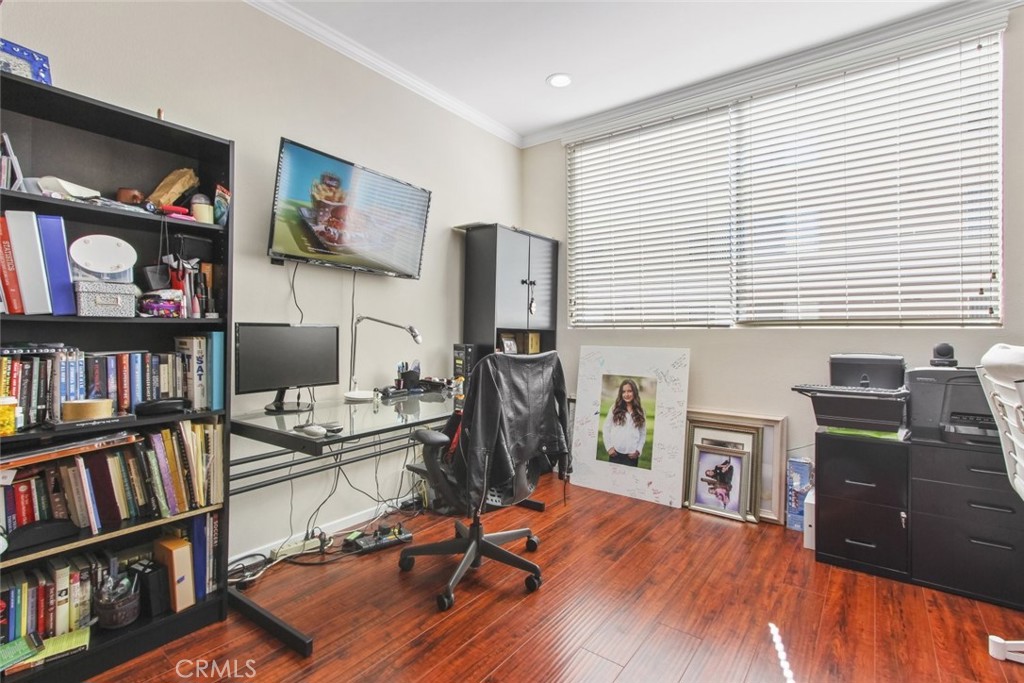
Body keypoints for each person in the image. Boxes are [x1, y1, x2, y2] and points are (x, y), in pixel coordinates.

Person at [602, 378, 646, 466]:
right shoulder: (615, 408)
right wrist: (609, 447)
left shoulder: (641, 411)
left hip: (632, 456)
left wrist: (638, 451)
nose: (626, 394)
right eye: (623, 392)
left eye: (630, 391)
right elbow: (606, 428)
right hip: (615, 454)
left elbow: (642, 433)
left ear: (635, 392)